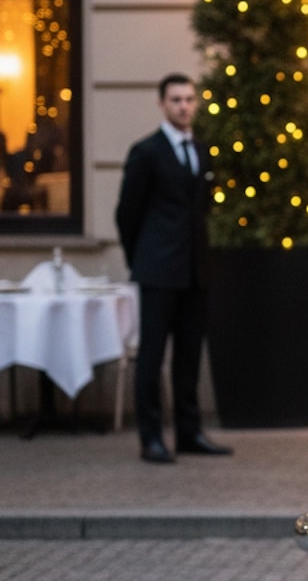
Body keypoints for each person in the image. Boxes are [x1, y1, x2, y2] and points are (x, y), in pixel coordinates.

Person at [115, 72, 232, 464]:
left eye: (189, 99)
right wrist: (142, 260)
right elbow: (126, 213)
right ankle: (151, 438)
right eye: (176, 100)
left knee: (189, 357)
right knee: (152, 357)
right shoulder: (145, 152)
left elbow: (203, 208)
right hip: (158, 271)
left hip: (195, 270)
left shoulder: (201, 149)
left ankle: (189, 432)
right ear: (162, 104)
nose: (184, 106)